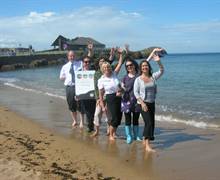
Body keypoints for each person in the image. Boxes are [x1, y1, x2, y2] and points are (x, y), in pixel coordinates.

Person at [134, 48, 164, 152]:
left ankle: (144, 138)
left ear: (148, 67)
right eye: (142, 66)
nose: (144, 67)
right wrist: (142, 103)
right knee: (148, 123)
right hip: (143, 103)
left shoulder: (153, 77)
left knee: (152, 123)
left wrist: (158, 61)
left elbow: (162, 70)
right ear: (141, 68)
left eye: (146, 65)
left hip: (152, 103)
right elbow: (136, 93)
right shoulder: (138, 79)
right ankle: (147, 145)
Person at [98, 48, 123, 141]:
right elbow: (101, 94)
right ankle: (111, 135)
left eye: (108, 67)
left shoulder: (114, 74)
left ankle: (114, 133)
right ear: (102, 69)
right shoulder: (101, 80)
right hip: (110, 98)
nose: (107, 68)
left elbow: (120, 64)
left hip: (119, 97)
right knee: (114, 118)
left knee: (119, 117)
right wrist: (102, 105)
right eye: (104, 68)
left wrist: (120, 55)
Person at [92, 48, 115, 137]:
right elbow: (95, 87)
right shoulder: (97, 73)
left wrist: (113, 54)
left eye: (103, 61)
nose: (102, 63)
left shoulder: (110, 72)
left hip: (109, 97)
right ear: (98, 63)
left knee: (109, 115)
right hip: (100, 98)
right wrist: (98, 98)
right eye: (100, 61)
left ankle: (109, 130)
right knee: (97, 114)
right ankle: (97, 131)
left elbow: (112, 61)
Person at [59, 50, 82, 128]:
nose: (72, 57)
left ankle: (82, 121)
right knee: (71, 105)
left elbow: (87, 60)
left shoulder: (79, 64)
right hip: (69, 87)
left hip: (78, 86)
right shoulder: (65, 66)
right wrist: (66, 76)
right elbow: (61, 77)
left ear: (75, 56)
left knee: (80, 104)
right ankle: (75, 120)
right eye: (70, 56)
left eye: (73, 55)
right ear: (68, 57)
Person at [121, 57, 141, 144]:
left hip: (137, 101)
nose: (129, 67)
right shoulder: (124, 77)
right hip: (126, 101)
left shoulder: (139, 75)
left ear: (134, 65)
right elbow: (121, 87)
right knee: (128, 119)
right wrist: (121, 89)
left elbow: (146, 61)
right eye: (127, 66)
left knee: (136, 119)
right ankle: (129, 136)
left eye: (130, 65)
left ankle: (136, 135)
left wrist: (153, 52)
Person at [78, 56, 96, 132]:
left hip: (93, 94)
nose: (87, 63)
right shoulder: (79, 72)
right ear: (83, 63)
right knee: (87, 111)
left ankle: (91, 126)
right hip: (83, 95)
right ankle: (90, 127)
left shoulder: (94, 71)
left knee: (92, 111)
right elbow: (77, 84)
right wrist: (77, 94)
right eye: (85, 62)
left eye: (89, 61)